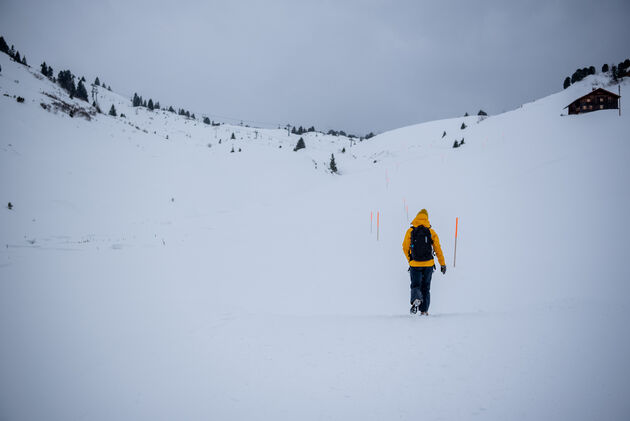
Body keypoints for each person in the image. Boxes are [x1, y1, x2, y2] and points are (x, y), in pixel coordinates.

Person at [402, 209, 446, 315]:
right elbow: (437, 248)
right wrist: (442, 264)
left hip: (415, 264)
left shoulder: (410, 231)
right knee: (426, 287)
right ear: (427, 218)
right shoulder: (431, 232)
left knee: (415, 285)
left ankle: (416, 298)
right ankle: (424, 311)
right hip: (428, 264)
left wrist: (410, 260)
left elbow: (404, 247)